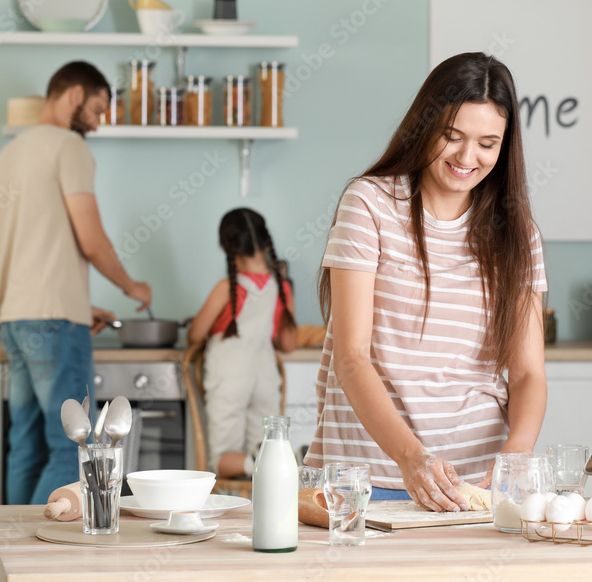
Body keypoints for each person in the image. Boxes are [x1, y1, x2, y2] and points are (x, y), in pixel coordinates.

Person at [303, 52, 548, 512]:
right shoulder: (370, 204)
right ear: (425, 128)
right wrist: (411, 458)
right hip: (366, 479)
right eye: (451, 136)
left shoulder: (519, 234)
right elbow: (352, 358)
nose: (466, 157)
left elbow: (529, 372)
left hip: (471, 489)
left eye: (487, 143)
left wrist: (518, 450)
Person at [0, 61, 152, 505]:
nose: (96, 125)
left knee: (26, 444)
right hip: (53, 321)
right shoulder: (68, 146)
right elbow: (90, 237)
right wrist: (130, 285)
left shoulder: (11, 153)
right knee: (72, 447)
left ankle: (10, 562)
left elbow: (31, 246)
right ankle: (36, 563)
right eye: (97, 110)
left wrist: (79, 305)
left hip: (15, 316)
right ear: (75, 94)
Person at [188, 208, 298, 479]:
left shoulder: (227, 288)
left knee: (220, 459)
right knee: (267, 444)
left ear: (228, 246)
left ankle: (252, 462)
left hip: (229, 379)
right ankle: (274, 460)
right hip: (266, 378)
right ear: (265, 241)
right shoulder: (282, 288)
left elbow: (194, 335)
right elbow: (288, 344)